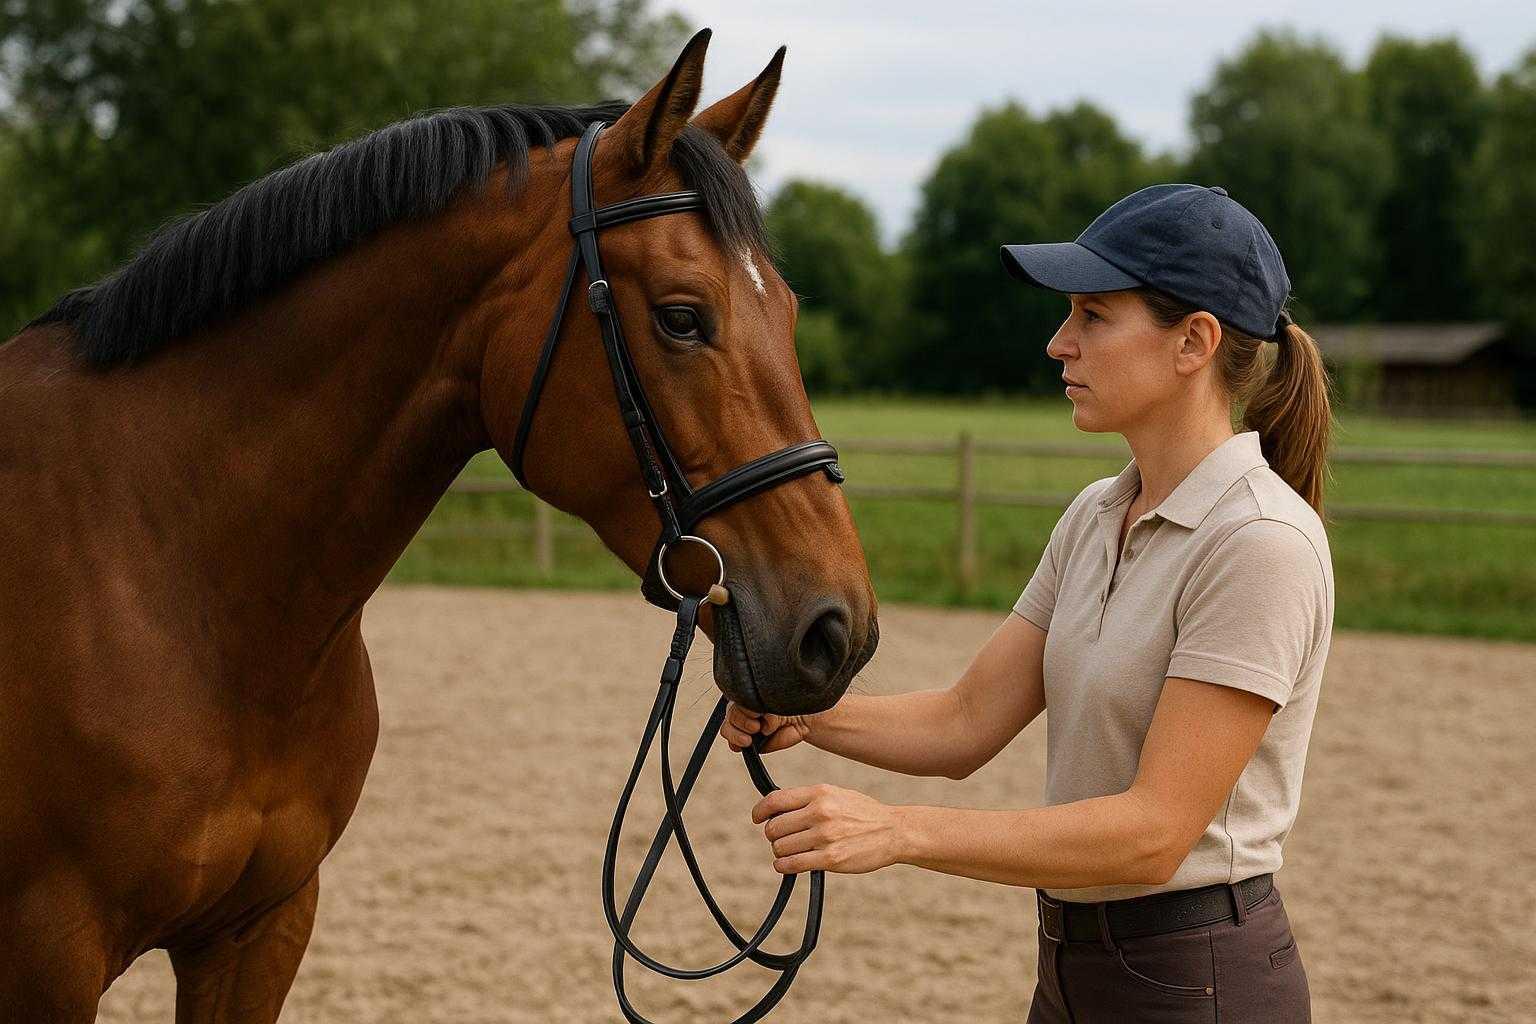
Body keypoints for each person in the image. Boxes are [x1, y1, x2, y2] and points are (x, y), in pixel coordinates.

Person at [722, 183, 1335, 1021]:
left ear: (1194, 341)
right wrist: (808, 715)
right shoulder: (1096, 515)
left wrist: (899, 832)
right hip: (1074, 970)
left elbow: (1154, 832)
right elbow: (966, 720)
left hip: (1200, 985)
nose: (1059, 344)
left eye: (1091, 315)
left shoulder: (1261, 544)